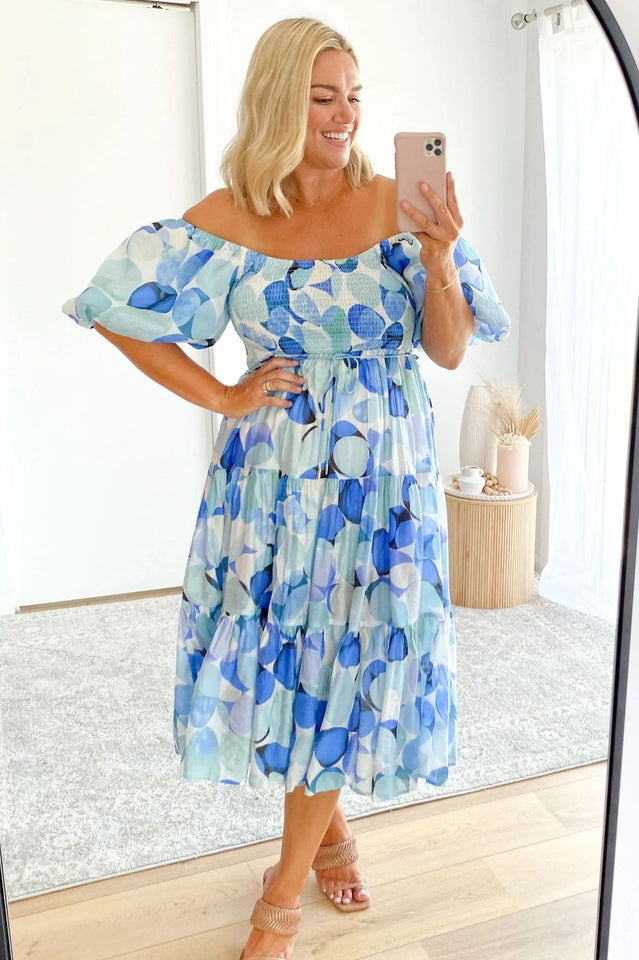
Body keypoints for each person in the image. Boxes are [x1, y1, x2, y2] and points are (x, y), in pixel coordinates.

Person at [63, 16, 510, 960]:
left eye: (354, 96)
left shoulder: (400, 205)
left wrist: (438, 258)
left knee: (353, 650)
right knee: (298, 658)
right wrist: (223, 395)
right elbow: (114, 310)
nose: (344, 116)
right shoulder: (228, 219)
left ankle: (280, 895)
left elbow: (447, 350)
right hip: (271, 480)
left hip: (382, 481)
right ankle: (329, 836)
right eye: (322, 98)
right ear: (277, 102)